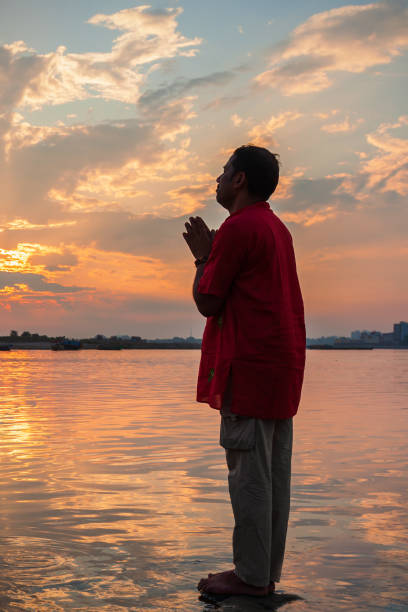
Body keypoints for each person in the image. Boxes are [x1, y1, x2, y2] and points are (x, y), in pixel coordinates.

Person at [183, 145, 305, 597]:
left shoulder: (239, 228)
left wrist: (202, 256)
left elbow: (209, 302)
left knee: (249, 479)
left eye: (223, 172)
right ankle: (262, 571)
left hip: (248, 372)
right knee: (272, 479)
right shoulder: (276, 228)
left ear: (239, 181)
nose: (216, 179)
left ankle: (251, 579)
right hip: (279, 372)